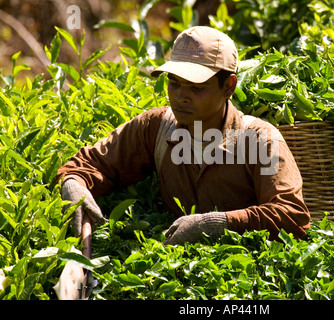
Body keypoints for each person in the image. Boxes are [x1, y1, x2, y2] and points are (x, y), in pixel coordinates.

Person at [56, 26, 310, 245]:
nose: (180, 97)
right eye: (174, 83)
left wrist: (217, 224)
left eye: (196, 88)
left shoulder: (259, 140)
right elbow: (91, 163)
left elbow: (291, 215)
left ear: (229, 86)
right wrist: (73, 184)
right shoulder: (155, 126)